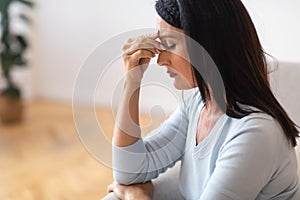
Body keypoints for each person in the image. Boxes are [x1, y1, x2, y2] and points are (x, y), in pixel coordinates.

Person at [105, 0, 299, 199]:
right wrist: (132, 79)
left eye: (169, 45)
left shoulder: (256, 133)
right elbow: (130, 171)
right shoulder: (199, 103)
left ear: (209, 47)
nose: (161, 60)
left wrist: (137, 197)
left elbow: (131, 182)